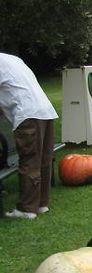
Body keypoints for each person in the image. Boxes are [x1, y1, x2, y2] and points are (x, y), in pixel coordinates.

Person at [0, 52, 59, 219]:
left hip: (26, 114)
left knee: (30, 160)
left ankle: (26, 210)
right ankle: (41, 204)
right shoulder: (12, 59)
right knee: (43, 161)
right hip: (45, 110)